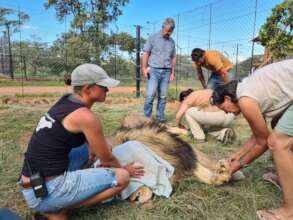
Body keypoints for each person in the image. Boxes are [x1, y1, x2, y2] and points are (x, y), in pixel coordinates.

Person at [18, 63, 144, 220]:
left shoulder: (66, 101)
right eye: (103, 86)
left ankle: (56, 204)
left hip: (32, 184)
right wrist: (125, 170)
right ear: (87, 89)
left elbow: (98, 146)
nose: (107, 90)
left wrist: (99, 149)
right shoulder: (85, 116)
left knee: (102, 146)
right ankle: (56, 209)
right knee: (122, 178)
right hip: (46, 192)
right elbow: (107, 159)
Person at [210, 59, 293, 220]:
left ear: (227, 98)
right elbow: (258, 135)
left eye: (223, 109)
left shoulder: (245, 100)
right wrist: (237, 154)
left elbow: (264, 143)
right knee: (279, 126)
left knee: (278, 142)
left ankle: (290, 212)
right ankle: (287, 178)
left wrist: (236, 166)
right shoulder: (248, 89)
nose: (228, 114)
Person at [143, 17, 176, 122]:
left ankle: (160, 118)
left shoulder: (172, 42)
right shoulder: (152, 38)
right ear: (162, 28)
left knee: (163, 96)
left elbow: (173, 57)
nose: (168, 33)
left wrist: (172, 72)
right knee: (150, 95)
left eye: (170, 32)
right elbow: (146, 53)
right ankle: (146, 119)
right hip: (153, 70)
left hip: (166, 71)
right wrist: (144, 68)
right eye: (166, 31)